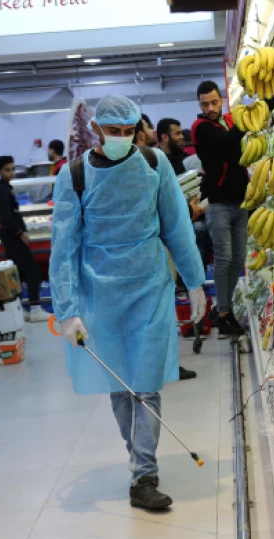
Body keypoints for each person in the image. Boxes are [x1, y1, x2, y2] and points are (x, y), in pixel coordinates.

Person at [50, 95, 206, 510]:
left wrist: (195, 283)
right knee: (120, 387)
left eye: (127, 131)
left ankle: (144, 476)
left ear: (137, 129)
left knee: (146, 383)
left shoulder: (154, 166)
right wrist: (66, 310)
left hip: (149, 285)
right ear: (97, 129)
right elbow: (63, 248)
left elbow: (177, 227)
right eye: (112, 131)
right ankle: (138, 455)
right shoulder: (75, 175)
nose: (120, 138)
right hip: (99, 293)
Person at [133, 117, 199, 383]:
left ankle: (164, 364)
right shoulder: (151, 163)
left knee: (157, 312)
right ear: (139, 136)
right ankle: (164, 365)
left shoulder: (150, 164)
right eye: (148, 129)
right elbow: (167, 216)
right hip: (156, 250)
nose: (152, 133)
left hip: (152, 252)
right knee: (156, 313)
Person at [191, 80, 249, 338]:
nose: (211, 108)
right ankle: (224, 312)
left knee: (238, 259)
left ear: (222, 100)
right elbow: (228, 143)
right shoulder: (201, 127)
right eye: (205, 104)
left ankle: (223, 308)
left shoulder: (229, 119)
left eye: (214, 102)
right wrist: (245, 120)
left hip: (241, 201)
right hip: (219, 204)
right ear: (200, 105)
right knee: (224, 259)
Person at [0, 156, 51, 323]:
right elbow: (5, 216)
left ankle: (17, 309)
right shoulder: (2, 190)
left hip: (9, 234)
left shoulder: (4, 188)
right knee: (33, 272)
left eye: (12, 169)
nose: (11, 173)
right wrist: (20, 233)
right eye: (7, 170)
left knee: (17, 273)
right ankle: (35, 309)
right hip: (11, 235)